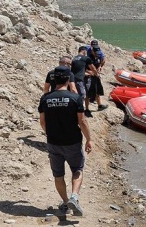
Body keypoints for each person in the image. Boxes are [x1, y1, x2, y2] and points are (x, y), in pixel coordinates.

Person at [38, 66, 93, 217]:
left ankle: (65, 201)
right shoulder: (75, 98)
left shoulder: (45, 99)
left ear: (53, 80)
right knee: (77, 170)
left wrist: (50, 134)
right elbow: (82, 121)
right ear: (68, 80)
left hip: (53, 142)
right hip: (73, 142)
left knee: (58, 175)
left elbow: (42, 122)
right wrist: (89, 139)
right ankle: (74, 197)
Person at [71, 46, 98, 117]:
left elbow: (77, 70)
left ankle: (78, 110)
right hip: (80, 79)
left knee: (76, 94)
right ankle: (79, 111)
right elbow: (93, 68)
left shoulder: (74, 58)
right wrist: (96, 74)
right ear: (84, 51)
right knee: (83, 95)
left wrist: (86, 73)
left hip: (73, 79)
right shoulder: (86, 58)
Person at [86, 40, 108, 112]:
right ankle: (87, 109)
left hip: (96, 75)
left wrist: (100, 67)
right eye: (95, 53)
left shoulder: (99, 54)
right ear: (92, 51)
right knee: (88, 92)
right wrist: (90, 72)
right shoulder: (88, 56)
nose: (97, 55)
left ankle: (99, 105)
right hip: (89, 76)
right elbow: (83, 68)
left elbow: (103, 59)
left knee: (97, 90)